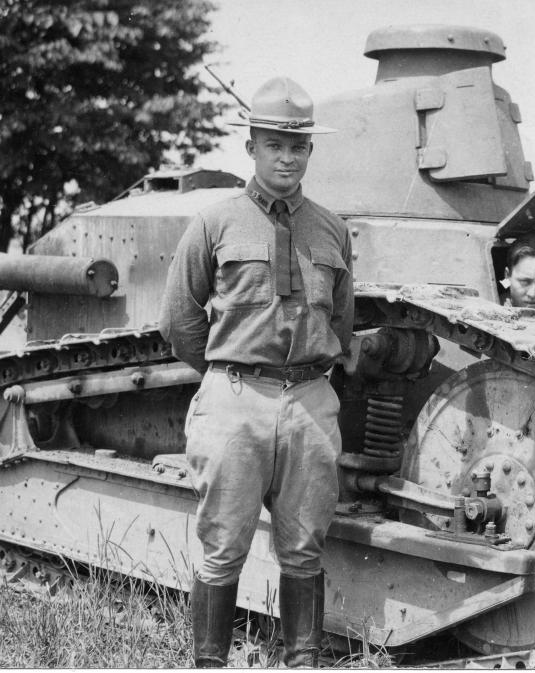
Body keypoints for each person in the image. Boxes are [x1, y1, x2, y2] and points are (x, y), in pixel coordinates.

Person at [158, 76, 353, 668]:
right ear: (251, 147)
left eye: (298, 147)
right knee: (222, 545)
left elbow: (341, 324)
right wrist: (229, 374)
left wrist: (302, 381)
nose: (287, 157)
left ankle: (303, 661)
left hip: (310, 403)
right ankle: (211, 663)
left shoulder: (332, 229)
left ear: (310, 153)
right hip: (235, 400)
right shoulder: (215, 222)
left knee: (304, 548)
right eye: (274, 145)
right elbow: (178, 320)